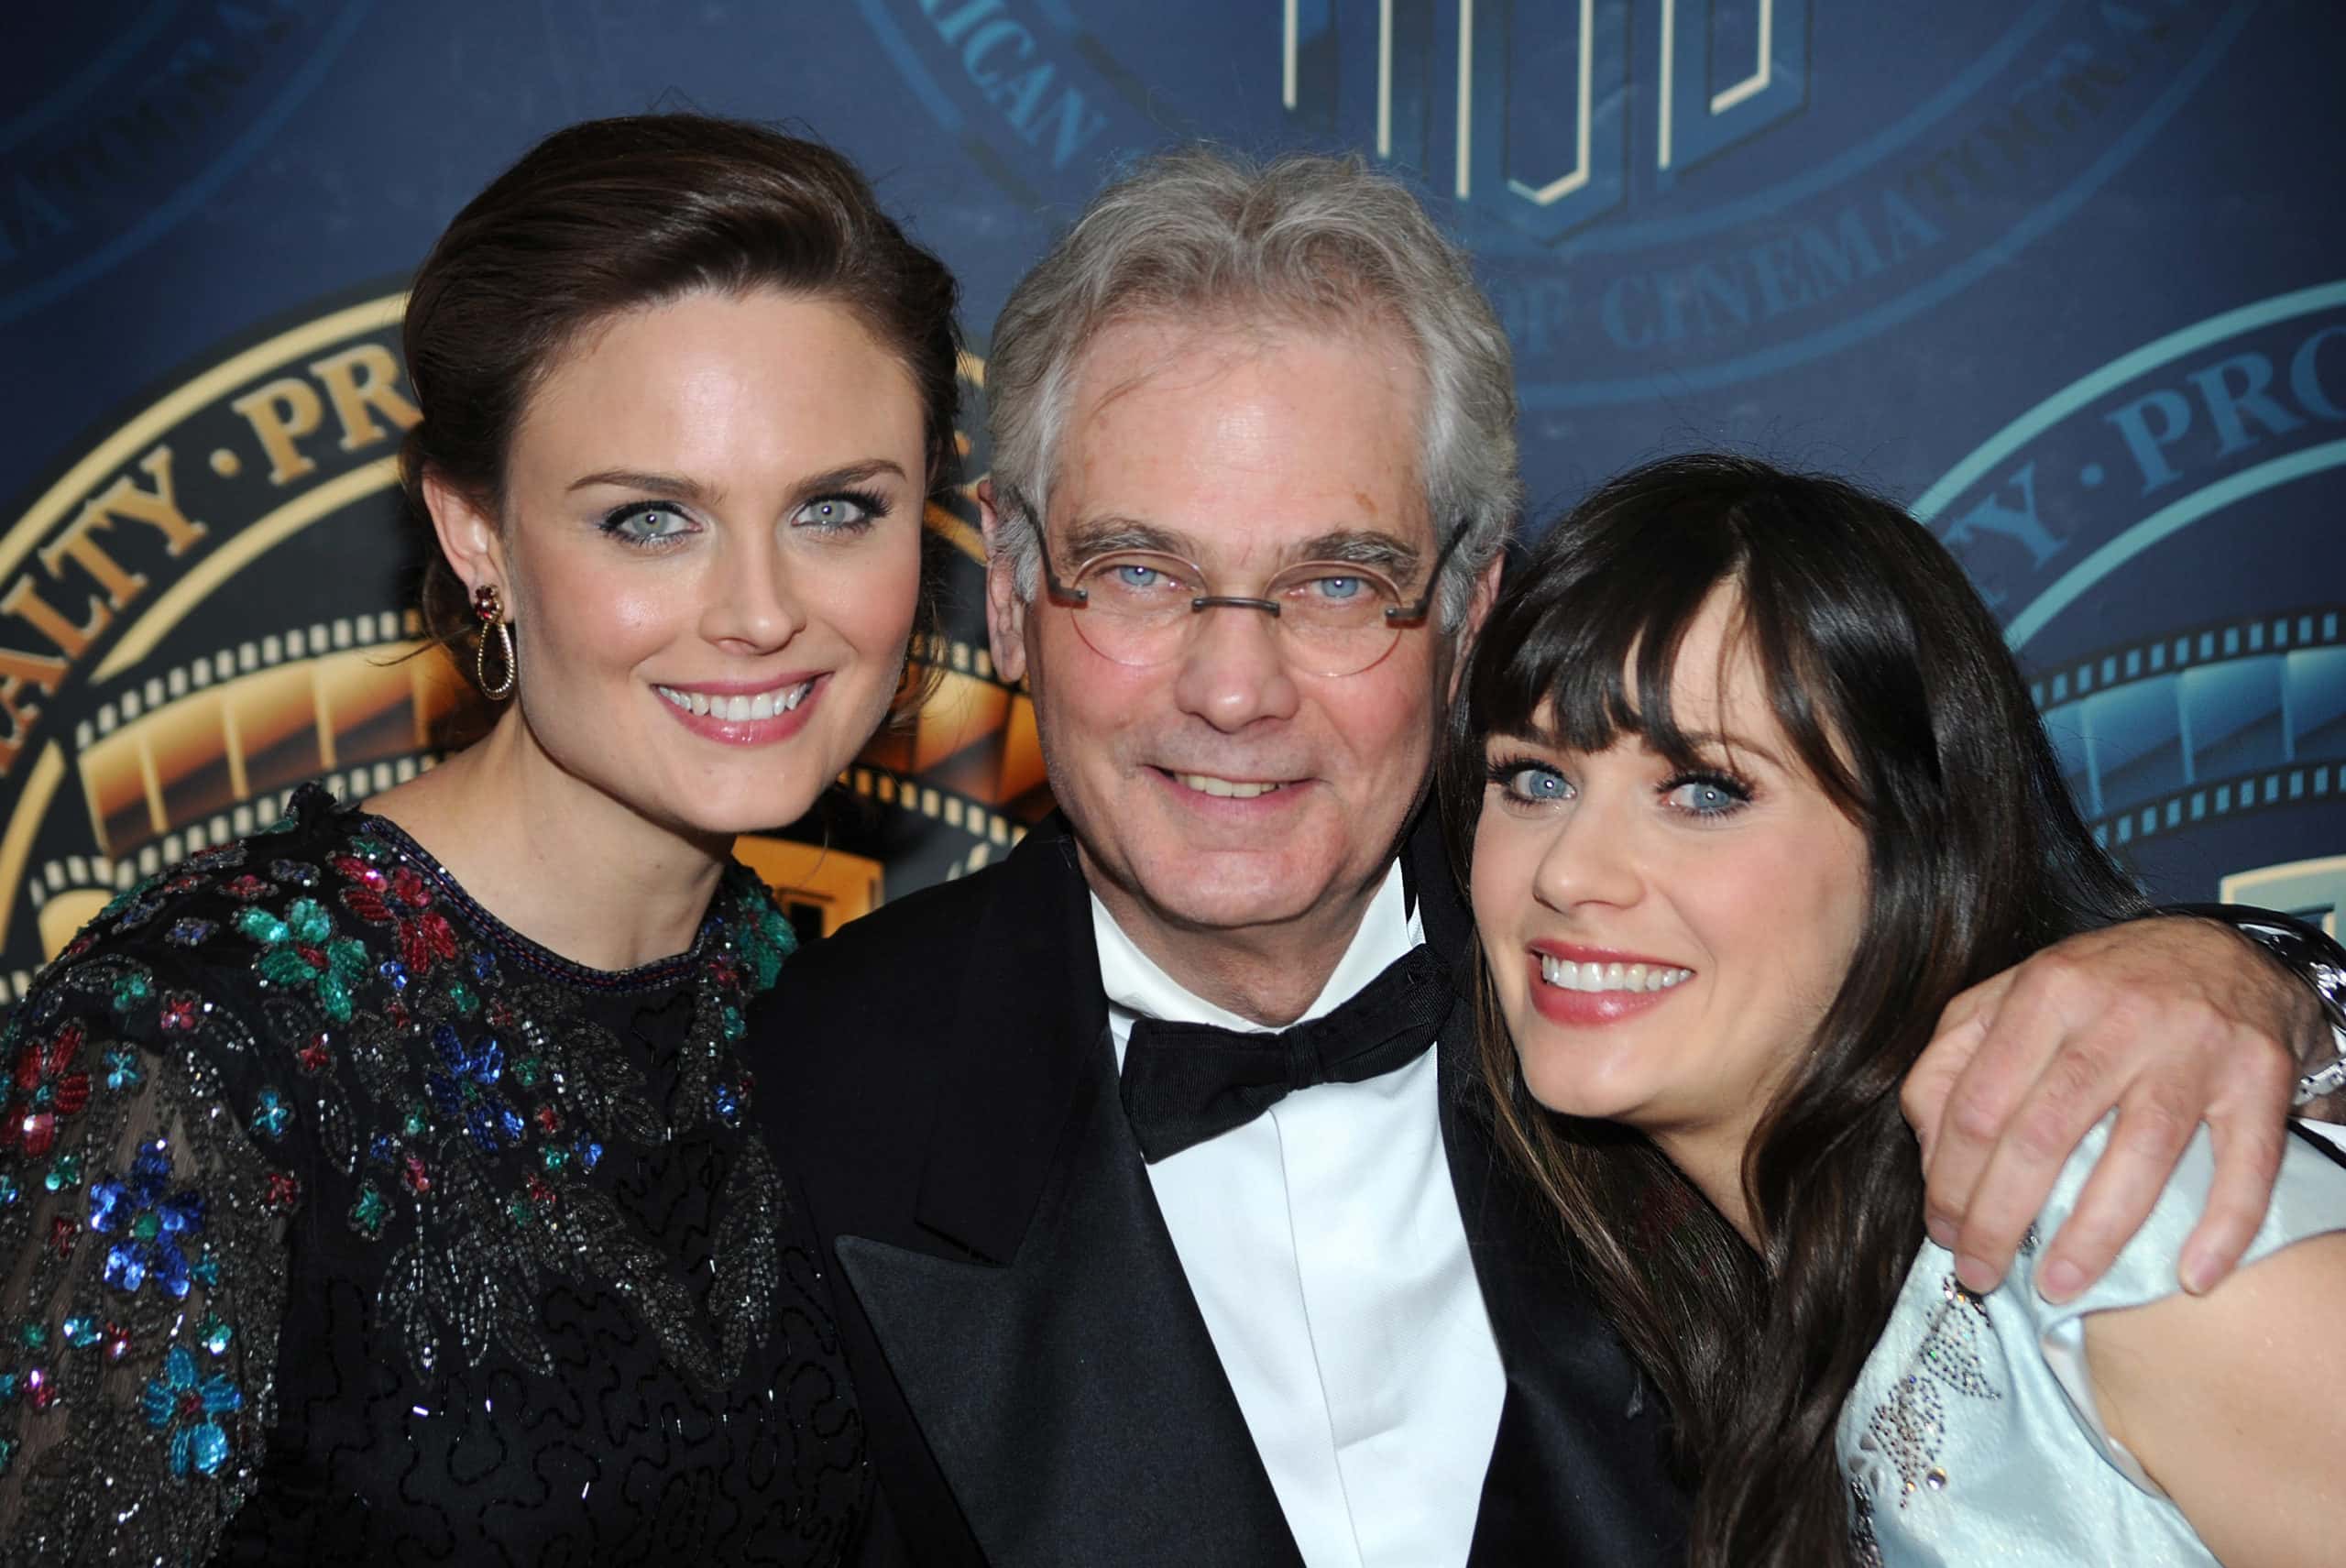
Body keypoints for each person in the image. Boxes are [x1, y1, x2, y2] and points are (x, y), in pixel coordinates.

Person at [765, 148, 2340, 1568]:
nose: (1231, 688)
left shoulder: (1640, 989)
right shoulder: (815, 1099)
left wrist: (2268, 977)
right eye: (1136, 570)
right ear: (1012, 589)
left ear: (1467, 608)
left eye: (1336, 582)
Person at [0, 113, 963, 1563]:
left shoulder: (819, 1010)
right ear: (477, 536)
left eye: (838, 507)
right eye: (651, 519)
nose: (764, 609)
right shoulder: (196, 1042)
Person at [1458, 453, 2346, 1568]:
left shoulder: (2115, 1215)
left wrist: (2281, 984)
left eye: (1704, 790)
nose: (1572, 872)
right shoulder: (1736, 1300)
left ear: (1913, 854)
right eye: (1534, 779)